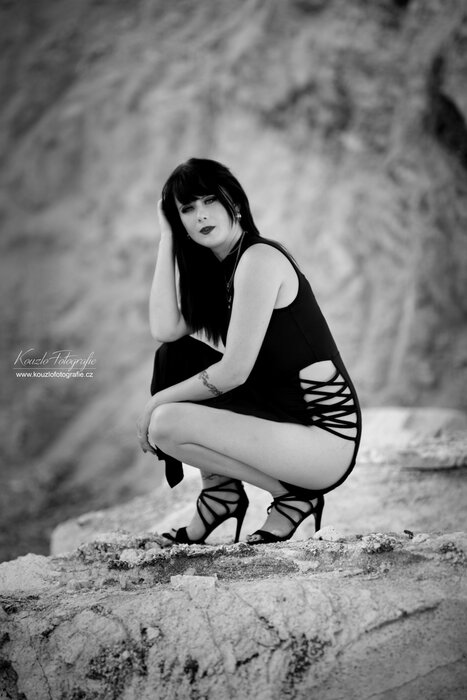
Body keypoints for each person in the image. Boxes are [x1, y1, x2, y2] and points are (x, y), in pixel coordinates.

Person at [136, 158, 361, 545]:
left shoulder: (259, 260)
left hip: (324, 440)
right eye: (187, 209)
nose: (200, 215)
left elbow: (233, 373)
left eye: (209, 200)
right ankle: (220, 496)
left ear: (234, 203)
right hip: (281, 422)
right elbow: (164, 329)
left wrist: (156, 401)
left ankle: (293, 497)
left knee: (164, 424)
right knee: (174, 355)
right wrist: (166, 238)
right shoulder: (220, 272)